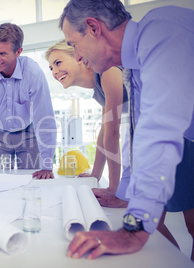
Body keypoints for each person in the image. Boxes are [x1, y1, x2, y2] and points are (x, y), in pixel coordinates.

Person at [60, 0, 194, 260]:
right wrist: (124, 192)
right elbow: (139, 132)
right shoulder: (136, 65)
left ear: (93, 27)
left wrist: (134, 230)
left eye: (73, 44)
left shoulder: (161, 31)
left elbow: (159, 131)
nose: (77, 56)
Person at [0, 23, 57, 180]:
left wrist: (47, 165)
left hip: (28, 133)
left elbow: (44, 118)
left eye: (3, 53)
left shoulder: (33, 73)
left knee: (34, 181)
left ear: (18, 52)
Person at [45, 40, 128, 198]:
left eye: (58, 63)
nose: (54, 72)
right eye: (51, 68)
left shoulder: (108, 72)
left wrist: (113, 188)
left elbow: (112, 134)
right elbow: (104, 134)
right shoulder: (99, 85)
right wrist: (95, 175)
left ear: (79, 57)